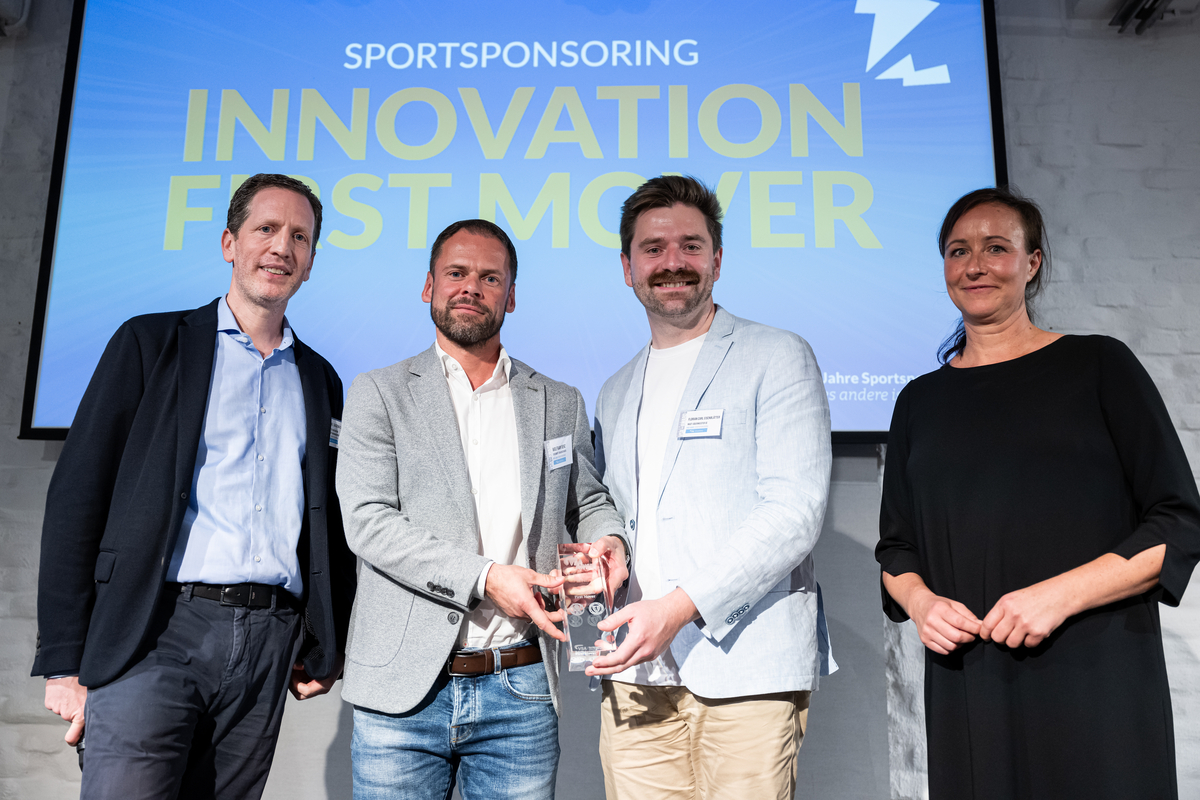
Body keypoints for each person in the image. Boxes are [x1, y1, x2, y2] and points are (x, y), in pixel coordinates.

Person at [33, 173, 357, 799]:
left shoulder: (320, 380)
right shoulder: (149, 343)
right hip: (155, 630)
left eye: (300, 237)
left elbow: (329, 522)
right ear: (229, 243)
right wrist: (64, 660)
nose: (282, 247)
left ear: (312, 261)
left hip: (268, 640)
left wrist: (327, 640)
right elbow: (78, 497)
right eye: (266, 229)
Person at [876, 186, 1200, 799]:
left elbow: (1179, 523)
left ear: (1032, 263)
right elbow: (896, 549)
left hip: (1097, 679)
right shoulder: (920, 401)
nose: (975, 265)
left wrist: (1057, 597)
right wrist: (922, 605)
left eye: (996, 248)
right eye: (958, 251)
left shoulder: (1099, 366)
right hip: (970, 686)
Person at [336, 218, 628, 800]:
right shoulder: (379, 392)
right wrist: (487, 578)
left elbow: (589, 500)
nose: (471, 287)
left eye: (490, 278)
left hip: (520, 685)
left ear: (511, 296)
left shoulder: (559, 401)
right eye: (456, 273)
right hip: (402, 692)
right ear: (429, 286)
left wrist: (610, 540)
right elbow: (368, 521)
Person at [588, 175, 834, 800]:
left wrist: (676, 608)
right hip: (637, 677)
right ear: (627, 267)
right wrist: (608, 544)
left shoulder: (778, 355)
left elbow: (794, 512)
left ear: (717, 260)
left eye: (691, 246)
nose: (672, 262)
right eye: (653, 248)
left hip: (746, 670)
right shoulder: (614, 390)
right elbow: (618, 511)